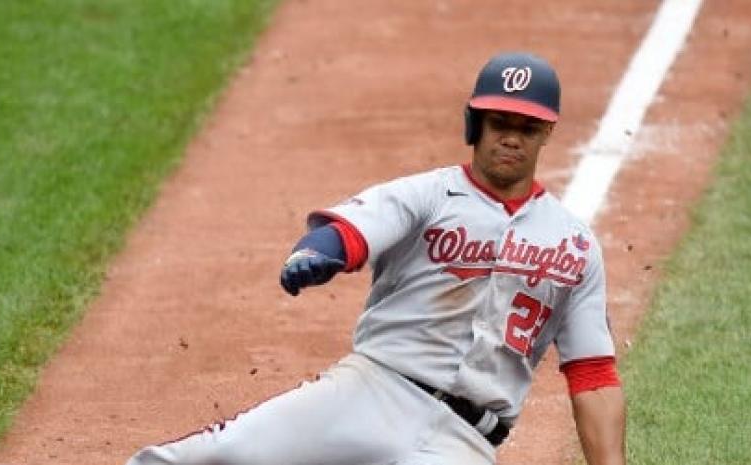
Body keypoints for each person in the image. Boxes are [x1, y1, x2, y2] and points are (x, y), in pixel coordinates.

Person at [125, 51, 626, 465]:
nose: (511, 137)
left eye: (527, 126)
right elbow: (353, 230)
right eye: (499, 123)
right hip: (371, 391)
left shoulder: (575, 244)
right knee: (220, 453)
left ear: (547, 133)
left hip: (462, 443)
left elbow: (593, 376)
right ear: (475, 124)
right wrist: (320, 254)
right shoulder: (429, 194)